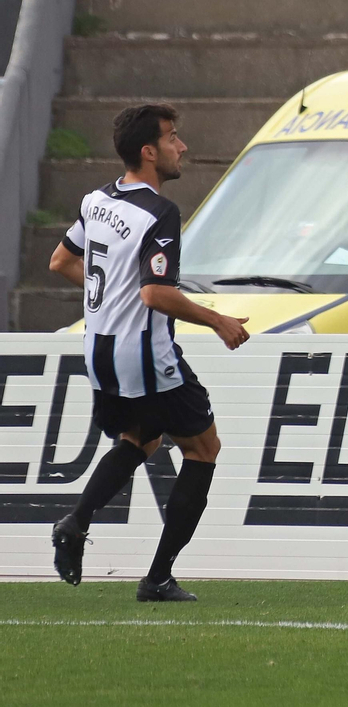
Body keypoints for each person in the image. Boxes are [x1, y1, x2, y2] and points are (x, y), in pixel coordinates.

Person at [47, 103, 250, 602]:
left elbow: (60, 262)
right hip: (143, 353)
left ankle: (76, 521)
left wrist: (111, 304)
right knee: (204, 449)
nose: (181, 147)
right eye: (173, 138)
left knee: (143, 440)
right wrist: (219, 320)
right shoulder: (160, 213)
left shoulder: (97, 201)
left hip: (100, 351)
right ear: (149, 151)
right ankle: (158, 577)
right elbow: (155, 294)